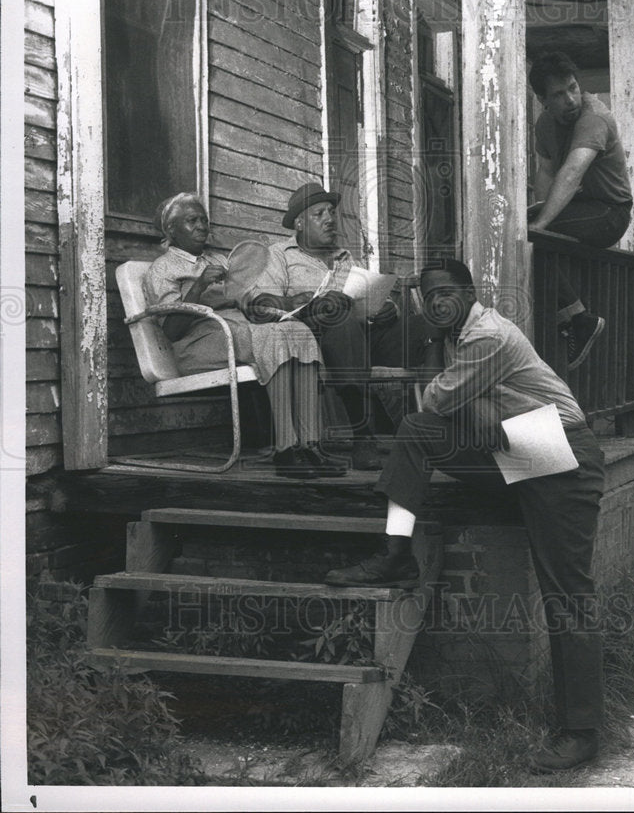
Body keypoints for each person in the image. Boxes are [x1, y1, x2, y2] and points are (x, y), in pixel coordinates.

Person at [324, 258, 607, 773]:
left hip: (562, 454)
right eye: (427, 296)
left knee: (568, 591)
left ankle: (582, 731)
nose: (435, 304)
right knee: (417, 432)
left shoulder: (486, 337)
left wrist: (457, 397)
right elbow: (443, 411)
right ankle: (395, 554)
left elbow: (437, 396)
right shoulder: (456, 336)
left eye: (445, 294)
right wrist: (462, 402)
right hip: (521, 445)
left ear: (469, 293)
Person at [143, 192, 346, 479]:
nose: (202, 226)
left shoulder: (218, 260)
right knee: (273, 339)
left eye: (204, 220)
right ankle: (286, 449)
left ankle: (310, 446)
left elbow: (248, 299)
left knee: (298, 331)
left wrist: (281, 304)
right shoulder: (162, 269)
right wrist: (199, 286)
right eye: (192, 221)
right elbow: (172, 331)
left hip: (236, 333)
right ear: (171, 230)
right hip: (198, 345)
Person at [239, 182, 430, 471]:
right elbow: (263, 304)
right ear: (300, 223)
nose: (330, 219)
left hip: (362, 333)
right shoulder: (280, 255)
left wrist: (387, 308)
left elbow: (365, 295)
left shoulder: (344, 257)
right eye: (319, 214)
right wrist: (303, 301)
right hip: (313, 338)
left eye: (331, 212)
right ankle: (363, 438)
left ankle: (440, 425)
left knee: (425, 326)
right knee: (339, 320)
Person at [527, 51, 633, 370]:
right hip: (578, 210)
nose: (570, 99)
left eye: (573, 88)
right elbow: (546, 172)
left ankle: (577, 318)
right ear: (543, 100)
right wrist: (539, 214)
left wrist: (542, 225)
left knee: (533, 235)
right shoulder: (545, 125)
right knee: (524, 231)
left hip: (609, 213)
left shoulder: (594, 117)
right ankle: (565, 319)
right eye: (559, 94)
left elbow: (572, 172)